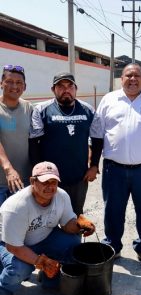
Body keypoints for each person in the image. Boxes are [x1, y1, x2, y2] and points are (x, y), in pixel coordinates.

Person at [90, 64, 141, 266]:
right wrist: (93, 163)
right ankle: (113, 247)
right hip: (114, 169)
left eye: (137, 75)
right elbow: (96, 134)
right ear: (122, 79)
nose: (133, 79)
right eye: (128, 75)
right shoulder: (109, 100)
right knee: (113, 210)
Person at [0, 161, 95, 295]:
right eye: (45, 182)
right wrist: (40, 261)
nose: (50, 187)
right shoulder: (16, 207)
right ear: (32, 181)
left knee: (74, 243)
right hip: (11, 244)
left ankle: (48, 278)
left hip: (44, 237)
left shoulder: (61, 196)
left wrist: (78, 225)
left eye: (54, 182)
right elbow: (13, 247)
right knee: (21, 268)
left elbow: (66, 224)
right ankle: (3, 293)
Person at [29, 72, 99, 216]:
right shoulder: (42, 110)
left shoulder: (88, 110)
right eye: (60, 86)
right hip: (49, 179)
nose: (66, 90)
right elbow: (34, 143)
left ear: (75, 89)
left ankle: (74, 239)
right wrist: (38, 175)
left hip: (79, 178)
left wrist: (94, 166)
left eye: (70, 86)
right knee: (48, 217)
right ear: (53, 89)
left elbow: (97, 139)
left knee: (76, 216)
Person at [0, 65, 33, 205]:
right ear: (1, 84)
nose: (14, 86)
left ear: (24, 87)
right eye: (9, 81)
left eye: (19, 82)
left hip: (24, 181)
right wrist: (8, 169)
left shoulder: (29, 108)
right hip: (1, 183)